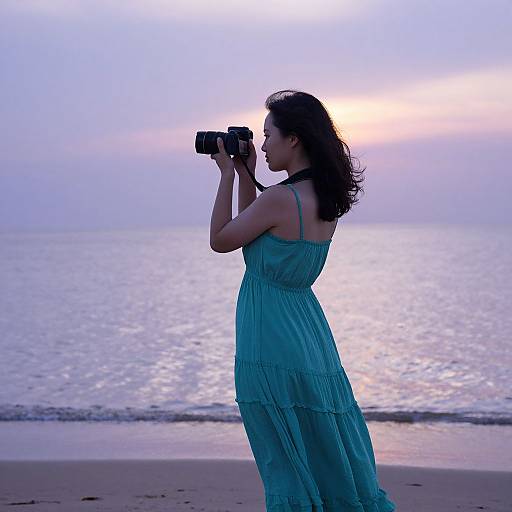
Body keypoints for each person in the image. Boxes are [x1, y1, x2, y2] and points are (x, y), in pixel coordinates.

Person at [209, 90, 396, 511]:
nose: (262, 145)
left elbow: (222, 239)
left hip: (269, 338)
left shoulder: (280, 199)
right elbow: (255, 235)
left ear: (294, 139)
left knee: (283, 458)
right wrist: (246, 176)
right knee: (318, 447)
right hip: (310, 339)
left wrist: (224, 175)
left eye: (268, 135)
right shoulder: (324, 202)